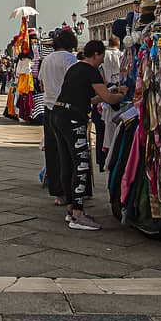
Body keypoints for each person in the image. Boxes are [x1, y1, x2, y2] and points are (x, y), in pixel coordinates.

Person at [51, 40, 127, 231]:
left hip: (58, 115)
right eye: (101, 57)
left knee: (67, 163)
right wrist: (122, 94)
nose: (101, 61)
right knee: (82, 164)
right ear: (96, 55)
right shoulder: (91, 71)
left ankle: (71, 209)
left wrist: (107, 94)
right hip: (73, 120)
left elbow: (90, 98)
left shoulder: (75, 69)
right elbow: (109, 99)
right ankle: (78, 214)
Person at [38, 29, 80, 204]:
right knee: (69, 152)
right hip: (66, 108)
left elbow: (41, 84)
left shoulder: (46, 60)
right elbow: (76, 83)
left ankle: (57, 192)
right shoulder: (71, 60)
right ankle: (71, 190)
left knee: (52, 150)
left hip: (48, 107)